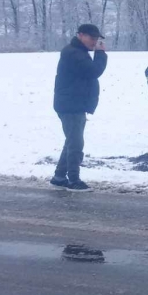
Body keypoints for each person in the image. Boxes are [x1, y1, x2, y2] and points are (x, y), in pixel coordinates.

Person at [51, 24, 108, 191]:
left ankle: (59, 177)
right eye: (92, 38)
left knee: (71, 141)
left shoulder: (77, 51)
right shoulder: (73, 53)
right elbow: (93, 72)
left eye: (97, 39)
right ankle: (73, 180)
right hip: (71, 105)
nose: (94, 42)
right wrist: (100, 54)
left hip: (73, 103)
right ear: (80, 35)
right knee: (76, 143)